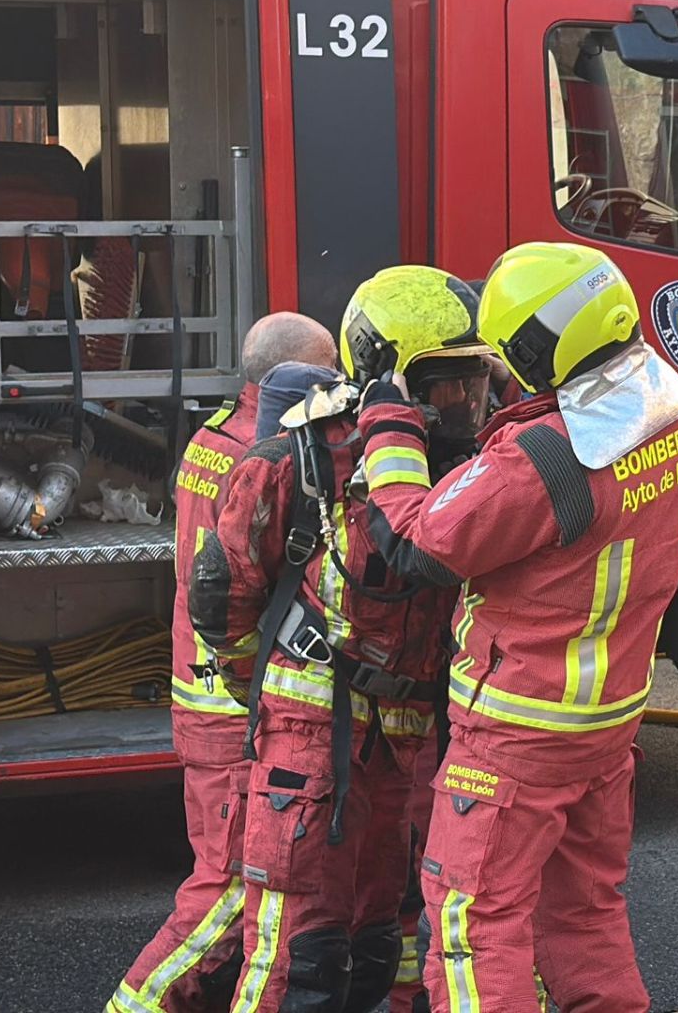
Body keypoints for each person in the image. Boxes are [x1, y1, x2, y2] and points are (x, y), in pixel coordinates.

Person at [355, 241, 678, 1012]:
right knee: (583, 916)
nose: (497, 374)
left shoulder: (541, 456)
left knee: (470, 924)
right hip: (605, 727)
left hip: (518, 730)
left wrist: (387, 426)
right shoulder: (667, 417)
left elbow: (417, 543)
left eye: (504, 355)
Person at [192, 267, 494, 1013]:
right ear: (389, 376)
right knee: (297, 950)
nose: (466, 402)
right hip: (305, 732)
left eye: (474, 381)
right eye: (446, 383)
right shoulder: (301, 459)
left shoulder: (475, 467)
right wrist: (259, 696)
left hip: (399, 737)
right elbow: (221, 591)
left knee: (373, 941)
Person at [108, 312, 335, 1013]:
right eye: (325, 378)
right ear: (288, 379)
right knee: (233, 889)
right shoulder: (264, 453)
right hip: (235, 706)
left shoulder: (213, 437)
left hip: (204, 695)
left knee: (230, 883)